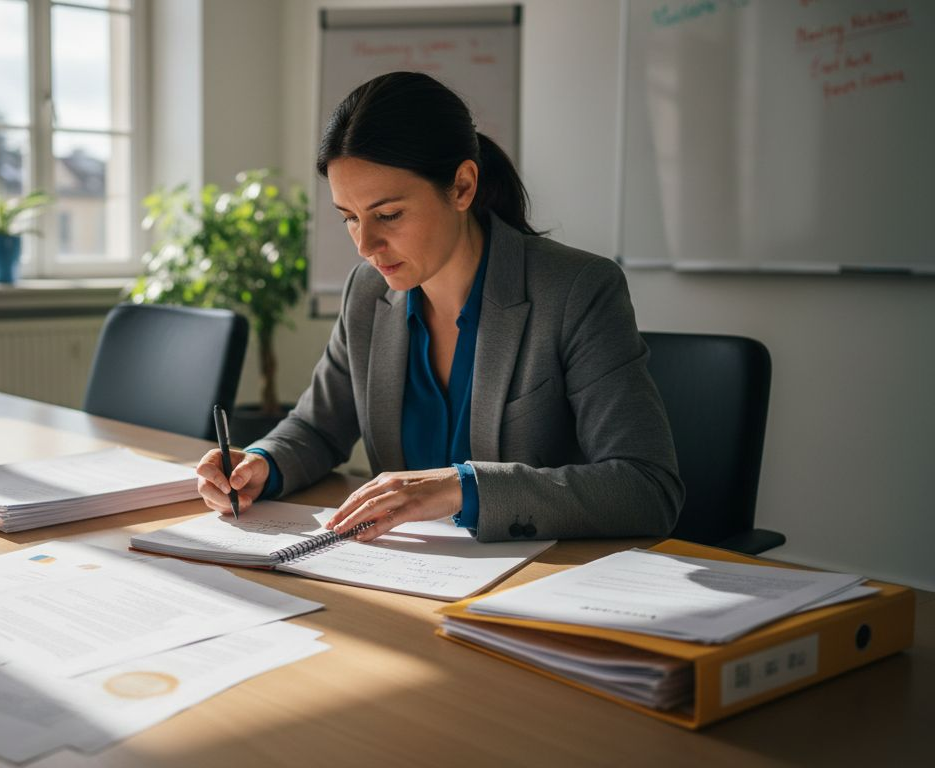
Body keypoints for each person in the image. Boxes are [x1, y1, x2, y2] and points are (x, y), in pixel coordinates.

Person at [195, 71, 683, 544]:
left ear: (463, 187)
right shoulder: (367, 292)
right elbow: (317, 427)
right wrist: (261, 462)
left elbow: (646, 487)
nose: (365, 245)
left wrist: (462, 488)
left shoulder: (576, 290)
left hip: (538, 577)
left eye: (389, 214)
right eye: (350, 218)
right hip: (408, 574)